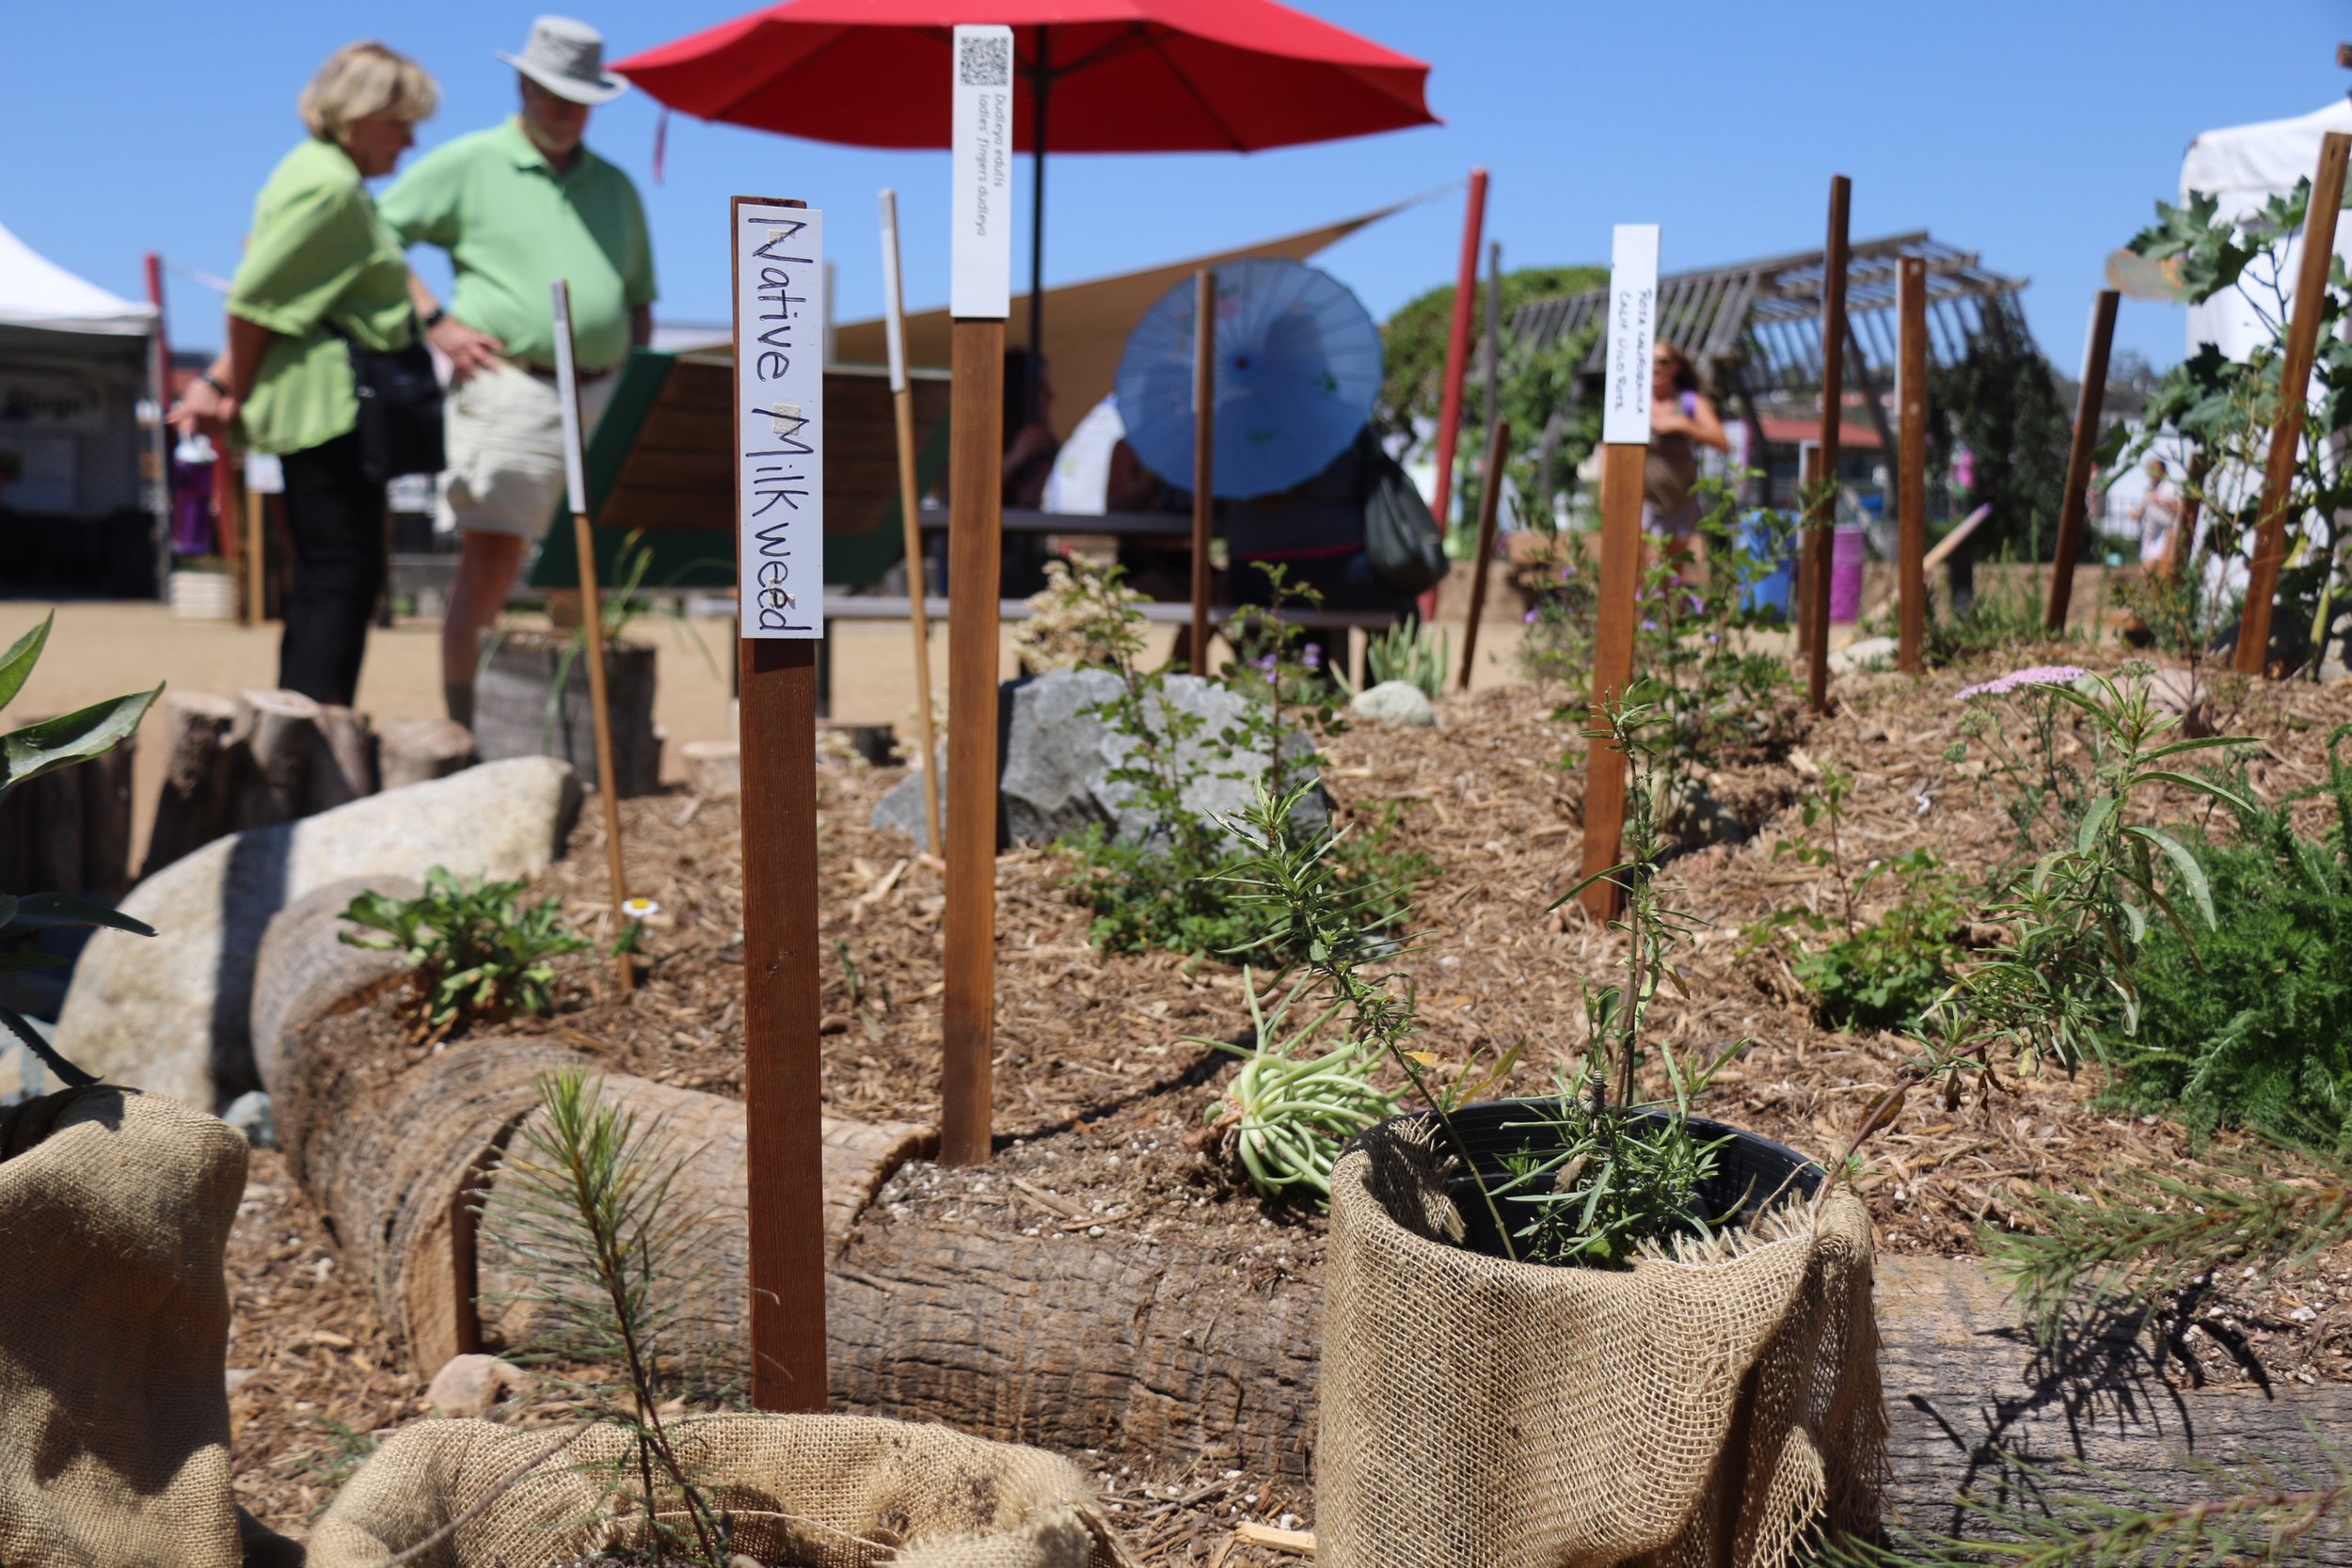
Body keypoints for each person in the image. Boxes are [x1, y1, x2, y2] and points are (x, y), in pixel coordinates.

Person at [377, 16, 656, 729]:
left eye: (578, 98)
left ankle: (579, 724)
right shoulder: (470, 161)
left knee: (587, 568)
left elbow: (637, 298)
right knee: (492, 560)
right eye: (553, 93)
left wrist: (638, 391)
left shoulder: (616, 186)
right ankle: (465, 727)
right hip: (511, 383)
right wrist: (435, 320)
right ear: (523, 84)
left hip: (604, 388)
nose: (565, 111)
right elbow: (375, 232)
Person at [171, 42, 438, 706]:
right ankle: (314, 724)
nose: (409, 140)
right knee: (342, 573)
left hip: (325, 403)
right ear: (358, 115)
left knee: (332, 572)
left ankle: (308, 722)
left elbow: (279, 303)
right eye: (400, 122)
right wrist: (233, 386)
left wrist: (222, 382)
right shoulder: (330, 186)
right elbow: (257, 303)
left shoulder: (319, 176)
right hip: (329, 408)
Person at [1645, 341, 1729, 571]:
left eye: (1663, 361)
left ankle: (1668, 608)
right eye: (1651, 360)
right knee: (1636, 569)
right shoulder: (1635, 402)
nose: (1656, 367)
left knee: (1672, 572)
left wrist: (1684, 425)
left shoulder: (1690, 403)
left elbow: (1721, 441)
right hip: (1643, 500)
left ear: (1676, 367)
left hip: (1679, 499)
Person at [2135, 455, 2184, 576]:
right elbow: (2143, 510)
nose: (2152, 475)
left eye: (2155, 471)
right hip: (2151, 538)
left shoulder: (2170, 489)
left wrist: (2161, 500)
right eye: (2150, 471)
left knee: (2148, 573)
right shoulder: (2151, 490)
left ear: (2164, 472)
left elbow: (2178, 510)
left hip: (2164, 538)